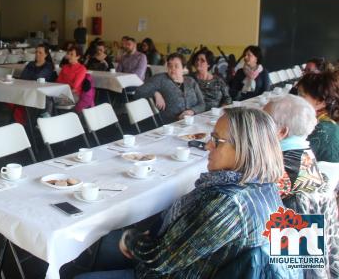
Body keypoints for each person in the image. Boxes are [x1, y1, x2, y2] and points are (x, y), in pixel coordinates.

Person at [77, 108, 288, 279]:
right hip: (191, 260)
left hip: (174, 271)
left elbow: (160, 259)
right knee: (107, 244)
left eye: (217, 140)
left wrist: (131, 239)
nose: (207, 145)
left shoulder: (228, 203)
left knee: (104, 252)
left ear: (245, 148)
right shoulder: (265, 185)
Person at [265, 95, 339, 278]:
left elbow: (295, 264)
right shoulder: (304, 158)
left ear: (281, 132)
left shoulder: (285, 175)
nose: (255, 128)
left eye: (262, 122)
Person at [135, 53, 205, 124]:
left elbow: (202, 104)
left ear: (183, 68)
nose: (172, 69)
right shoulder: (160, 79)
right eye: (170, 66)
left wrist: (192, 111)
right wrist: (155, 93)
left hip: (193, 122)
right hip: (170, 125)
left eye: (176, 66)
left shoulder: (191, 81)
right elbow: (138, 92)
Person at [297, 71, 339, 162]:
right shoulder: (325, 123)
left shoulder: (320, 129)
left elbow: (295, 161)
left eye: (301, 95)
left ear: (320, 102)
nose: (295, 99)